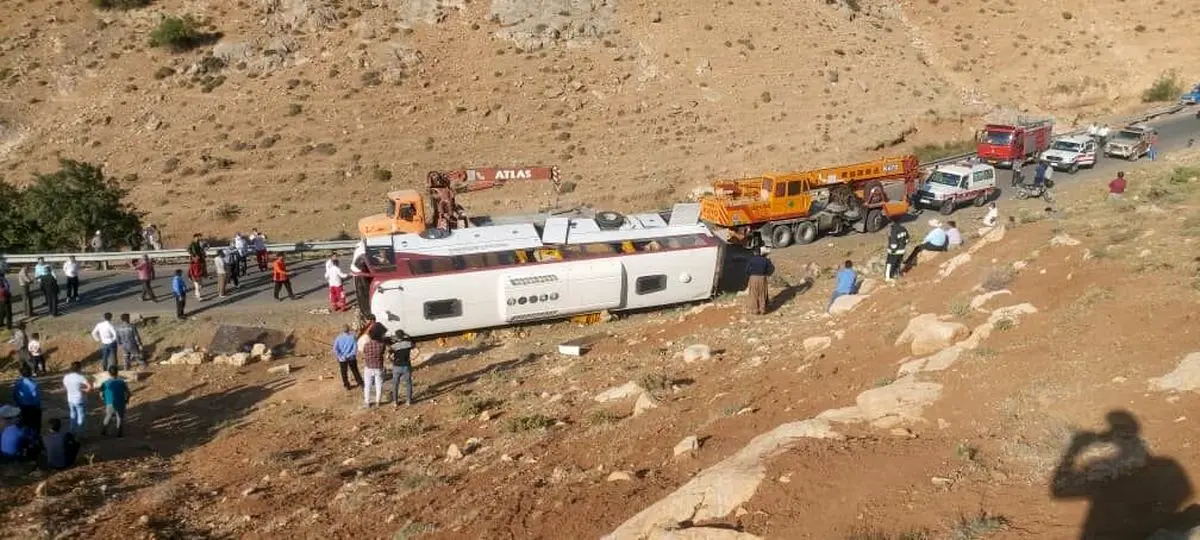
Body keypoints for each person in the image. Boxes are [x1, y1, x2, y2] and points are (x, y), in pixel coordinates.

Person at [99, 366, 130, 437]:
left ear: (109, 373)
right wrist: (127, 400)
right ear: (117, 373)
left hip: (110, 402)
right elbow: (128, 393)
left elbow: (101, 394)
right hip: (121, 402)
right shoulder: (122, 382)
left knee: (108, 416)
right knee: (120, 417)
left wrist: (104, 399)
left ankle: (104, 430)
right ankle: (119, 433)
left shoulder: (105, 383)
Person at [62, 362, 92, 435]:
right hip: (79, 399)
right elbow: (89, 388)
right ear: (79, 368)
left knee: (72, 415)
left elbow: (65, 388)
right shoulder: (80, 377)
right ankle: (80, 433)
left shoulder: (66, 377)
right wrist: (83, 390)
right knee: (80, 416)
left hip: (70, 399)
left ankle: (72, 432)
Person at [360, 324, 386, 408]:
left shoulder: (366, 345)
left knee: (367, 385)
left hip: (368, 367)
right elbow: (382, 353)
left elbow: (364, 352)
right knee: (379, 385)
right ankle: (378, 402)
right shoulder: (382, 345)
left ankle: (367, 402)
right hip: (378, 367)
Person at [389, 330, 417, 407]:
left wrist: (392, 361)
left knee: (395, 384)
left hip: (396, 366)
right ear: (403, 335)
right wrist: (413, 358)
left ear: (396, 336)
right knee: (408, 383)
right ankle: (408, 401)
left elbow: (388, 356)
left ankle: (395, 402)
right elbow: (417, 350)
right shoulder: (408, 344)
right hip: (406, 366)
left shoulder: (394, 346)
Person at [13, 365, 42, 436]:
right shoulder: (34, 384)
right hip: (33, 408)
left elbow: (15, 395)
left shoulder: (18, 384)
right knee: (35, 426)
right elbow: (37, 399)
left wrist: (19, 404)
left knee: (25, 425)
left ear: (21, 374)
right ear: (31, 373)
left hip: (22, 408)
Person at [743, 248, 774, 315]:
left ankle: (755, 310)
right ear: (760, 253)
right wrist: (767, 274)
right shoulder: (765, 260)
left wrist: (749, 275)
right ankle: (762, 310)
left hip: (753, 277)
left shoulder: (751, 260)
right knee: (762, 293)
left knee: (753, 294)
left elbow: (747, 270)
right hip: (762, 278)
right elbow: (772, 268)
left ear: (754, 253)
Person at [332, 325, 364, 390]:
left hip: (342, 359)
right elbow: (355, 348)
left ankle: (346, 385)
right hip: (351, 358)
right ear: (349, 330)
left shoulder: (338, 338)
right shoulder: (352, 338)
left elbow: (335, 349)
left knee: (344, 372)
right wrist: (349, 355)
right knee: (355, 371)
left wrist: (340, 356)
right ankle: (360, 383)